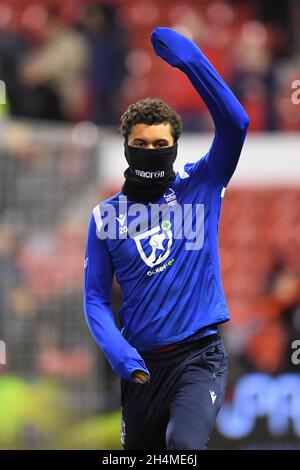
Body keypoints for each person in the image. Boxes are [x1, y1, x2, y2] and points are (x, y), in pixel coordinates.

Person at [83, 27, 249, 450]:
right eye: (141, 143)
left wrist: (193, 62)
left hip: (200, 358)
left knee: (183, 449)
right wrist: (116, 350)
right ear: (126, 146)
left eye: (160, 144)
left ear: (175, 146)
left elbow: (235, 123)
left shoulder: (203, 182)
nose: (150, 150)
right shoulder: (105, 217)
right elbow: (96, 298)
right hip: (140, 366)